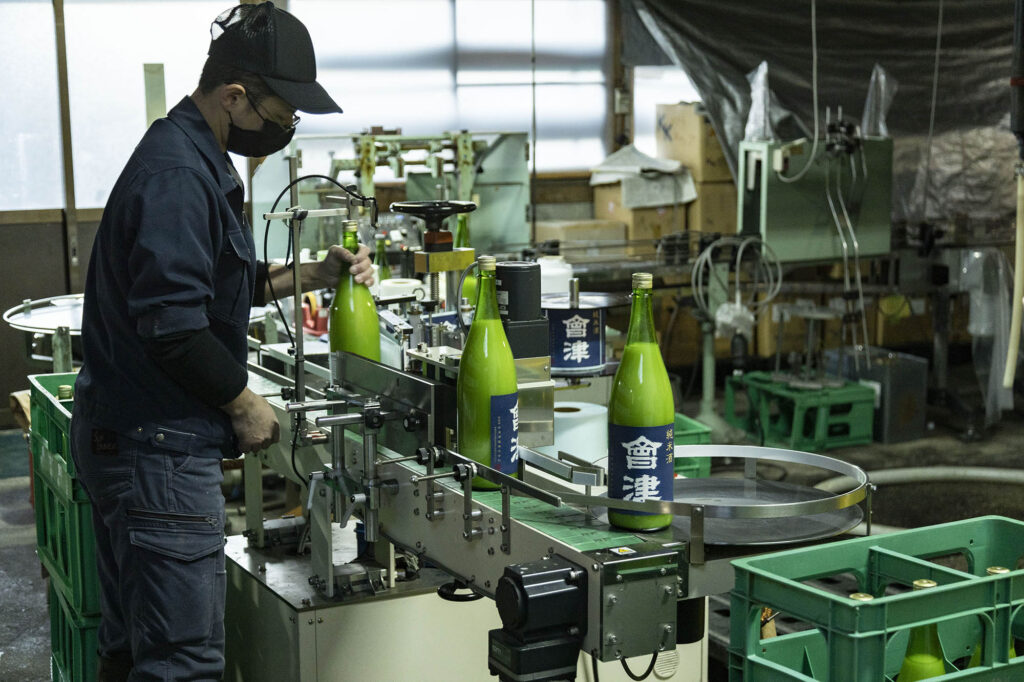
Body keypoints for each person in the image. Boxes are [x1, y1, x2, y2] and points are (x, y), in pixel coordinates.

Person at [69, 3, 371, 680]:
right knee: (182, 662)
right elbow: (173, 326)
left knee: (133, 646)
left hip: (132, 437)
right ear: (234, 96)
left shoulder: (191, 155)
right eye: (280, 115)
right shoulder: (179, 176)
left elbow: (215, 288)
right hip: (158, 451)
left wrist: (311, 274)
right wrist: (245, 402)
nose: (284, 131)